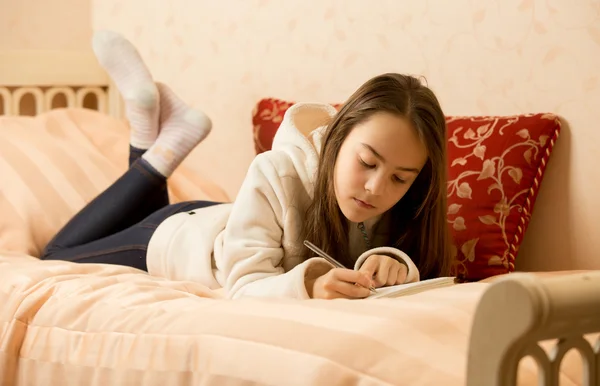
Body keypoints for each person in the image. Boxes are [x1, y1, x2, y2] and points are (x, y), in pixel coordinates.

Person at [41, 31, 453, 300]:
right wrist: (309, 285)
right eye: (367, 162)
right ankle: (158, 144)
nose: (376, 188)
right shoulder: (276, 172)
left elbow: (404, 265)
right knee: (55, 254)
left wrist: (393, 264)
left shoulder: (402, 204)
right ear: (338, 137)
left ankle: (151, 127)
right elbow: (244, 286)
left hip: (223, 222)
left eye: (400, 178)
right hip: (175, 239)